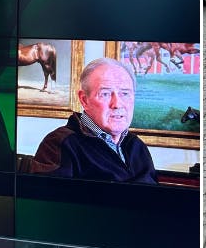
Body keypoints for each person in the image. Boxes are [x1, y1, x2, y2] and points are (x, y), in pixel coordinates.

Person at [21, 57, 158, 183]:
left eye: (125, 93)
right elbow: (47, 206)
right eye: (105, 94)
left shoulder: (137, 146)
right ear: (84, 100)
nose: (117, 104)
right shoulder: (59, 144)